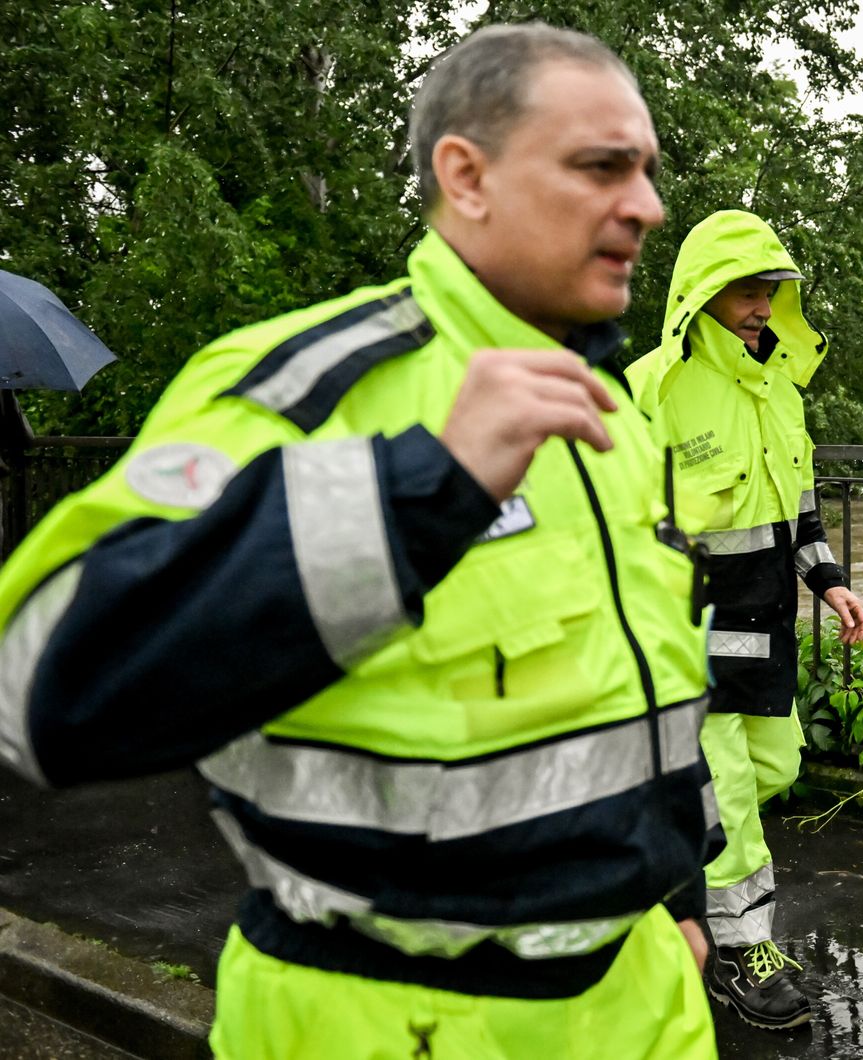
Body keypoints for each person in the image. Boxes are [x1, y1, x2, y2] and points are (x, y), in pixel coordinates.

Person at [0, 24, 723, 1059]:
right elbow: (35, 681)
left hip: (643, 1004)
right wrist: (417, 486)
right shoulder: (311, 384)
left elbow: (641, 677)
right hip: (382, 1021)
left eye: (649, 172)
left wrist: (680, 891)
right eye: (601, 167)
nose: (649, 205)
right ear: (465, 176)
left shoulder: (613, 407)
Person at [627, 209, 863, 1031]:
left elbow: (796, 509)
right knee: (726, 784)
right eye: (747, 291)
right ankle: (743, 950)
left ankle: (667, 886)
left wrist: (828, 580)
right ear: (703, 294)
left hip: (764, 624)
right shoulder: (653, 389)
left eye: (772, 291)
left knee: (777, 767)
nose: (764, 306)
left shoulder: (780, 392)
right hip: (689, 628)